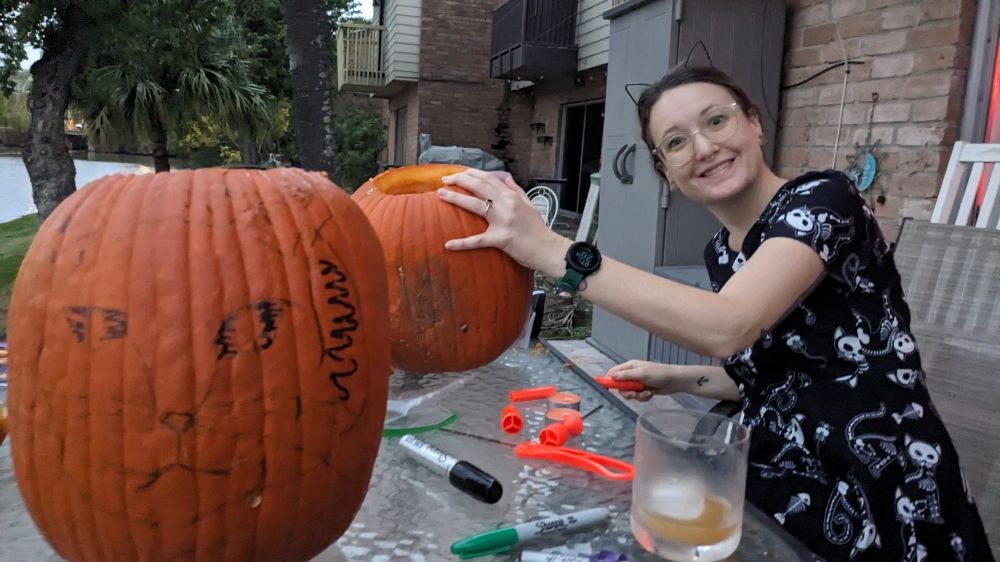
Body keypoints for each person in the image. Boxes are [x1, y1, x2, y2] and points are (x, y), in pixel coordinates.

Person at [437, 66, 993, 561]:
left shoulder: (826, 199)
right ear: (666, 171)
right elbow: (778, 368)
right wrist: (680, 378)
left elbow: (728, 326)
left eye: (716, 121)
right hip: (768, 477)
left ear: (753, 122)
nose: (702, 148)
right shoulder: (723, 251)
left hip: (878, 483)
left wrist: (556, 253)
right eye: (676, 142)